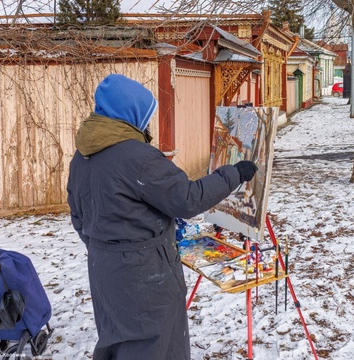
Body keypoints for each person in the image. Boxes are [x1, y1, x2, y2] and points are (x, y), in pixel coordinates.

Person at [66, 74, 258, 360]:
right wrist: (233, 174)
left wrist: (109, 246)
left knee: (117, 342)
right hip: (143, 275)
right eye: (145, 115)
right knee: (153, 346)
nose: (147, 123)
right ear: (131, 113)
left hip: (103, 268)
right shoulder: (135, 156)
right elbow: (187, 198)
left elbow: (78, 216)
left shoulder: (83, 156)